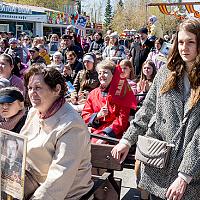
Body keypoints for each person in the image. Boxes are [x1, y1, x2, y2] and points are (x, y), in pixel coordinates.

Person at [111, 18, 200, 200]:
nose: (184, 47)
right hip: (158, 163)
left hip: (190, 171)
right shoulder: (166, 73)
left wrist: (184, 176)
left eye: (191, 42)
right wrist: (127, 140)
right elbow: (147, 109)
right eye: (181, 42)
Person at [20, 64, 93, 199]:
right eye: (30, 88)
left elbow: (60, 177)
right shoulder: (34, 112)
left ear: (57, 89)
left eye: (38, 88)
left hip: (65, 192)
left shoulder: (71, 125)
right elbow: (20, 150)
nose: (31, 93)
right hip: (31, 180)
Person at [82, 59, 131, 144]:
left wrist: (106, 137)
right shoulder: (93, 93)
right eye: (99, 73)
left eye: (105, 72)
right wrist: (97, 116)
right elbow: (85, 114)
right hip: (95, 131)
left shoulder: (123, 93)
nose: (101, 76)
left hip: (115, 134)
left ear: (113, 75)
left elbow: (122, 120)